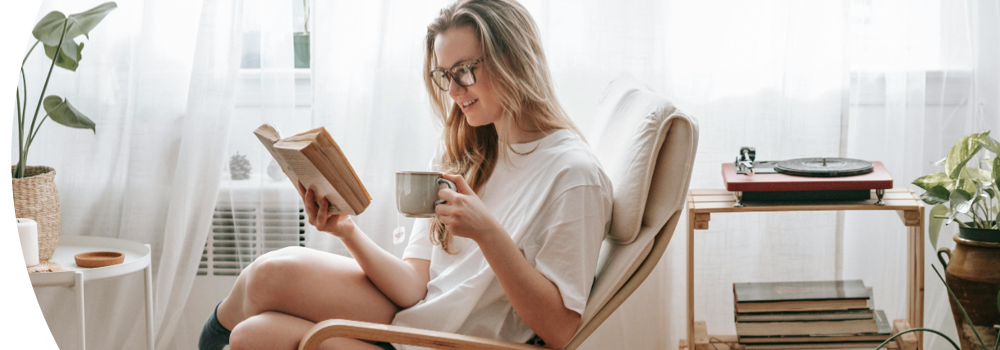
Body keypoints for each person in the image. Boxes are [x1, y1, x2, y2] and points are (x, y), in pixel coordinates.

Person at [199, 0, 612, 349]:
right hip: (416, 318)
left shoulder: (573, 175)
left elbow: (559, 329)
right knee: (267, 283)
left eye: (465, 70)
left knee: (255, 336)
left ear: (514, 60)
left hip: (456, 341)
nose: (452, 90)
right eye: (443, 75)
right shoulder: (468, 148)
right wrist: (346, 230)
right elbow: (417, 283)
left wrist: (488, 233)